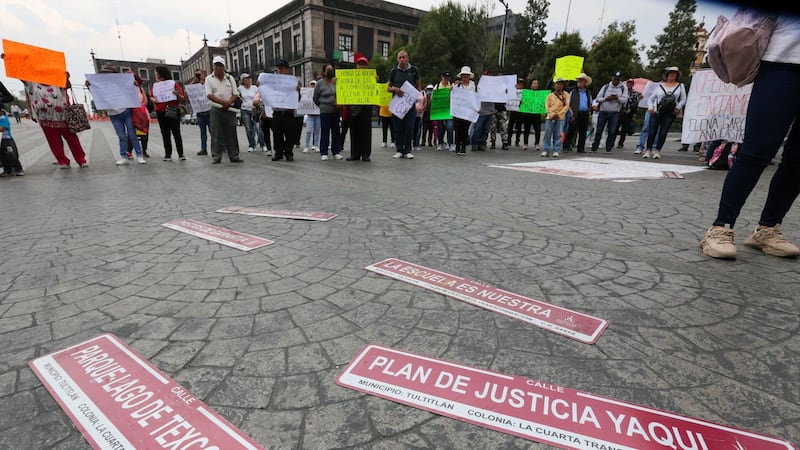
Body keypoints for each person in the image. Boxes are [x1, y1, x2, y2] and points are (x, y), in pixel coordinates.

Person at [700, 16, 800, 259]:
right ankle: (720, 227)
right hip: (784, 62)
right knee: (757, 151)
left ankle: (767, 229)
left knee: (798, 160)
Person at [23, 75, 89, 169]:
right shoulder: (32, 82)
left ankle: (81, 160)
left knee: (72, 139)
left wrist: (66, 76)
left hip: (64, 116)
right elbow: (22, 78)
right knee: (53, 141)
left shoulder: (58, 78)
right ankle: (63, 161)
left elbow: (68, 86)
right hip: (45, 118)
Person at [205, 55, 242, 164]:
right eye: (216, 66)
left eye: (220, 66)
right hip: (216, 108)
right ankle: (216, 157)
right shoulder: (209, 79)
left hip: (229, 109)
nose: (218, 68)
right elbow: (209, 95)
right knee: (216, 132)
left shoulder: (229, 78)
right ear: (213, 67)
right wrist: (223, 103)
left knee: (231, 132)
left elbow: (235, 93)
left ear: (224, 67)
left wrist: (229, 102)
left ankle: (234, 155)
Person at [643, 67, 686, 159]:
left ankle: (657, 150)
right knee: (652, 132)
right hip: (657, 111)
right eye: (670, 74)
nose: (672, 76)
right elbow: (651, 98)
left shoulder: (680, 86)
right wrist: (651, 108)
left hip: (670, 112)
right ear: (667, 75)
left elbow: (683, 99)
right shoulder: (660, 85)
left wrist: (678, 107)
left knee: (663, 132)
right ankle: (648, 150)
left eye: (674, 74)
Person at [387, 50, 421, 159]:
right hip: (397, 104)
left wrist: (416, 98)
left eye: (404, 57)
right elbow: (388, 88)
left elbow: (418, 86)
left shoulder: (414, 70)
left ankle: (407, 150)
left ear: (408, 58)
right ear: (397, 59)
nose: (402, 59)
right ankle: (399, 149)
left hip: (409, 105)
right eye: (400, 57)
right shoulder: (394, 72)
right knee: (398, 127)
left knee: (410, 127)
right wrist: (395, 89)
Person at [151, 65, 186, 161]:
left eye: (156, 72)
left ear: (160, 73)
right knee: (165, 133)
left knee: (176, 132)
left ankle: (181, 154)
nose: (155, 74)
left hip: (172, 108)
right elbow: (151, 96)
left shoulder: (173, 84)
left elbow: (183, 98)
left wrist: (177, 94)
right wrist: (153, 99)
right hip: (160, 110)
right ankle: (168, 154)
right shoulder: (155, 85)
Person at [272, 59, 301, 162]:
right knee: (277, 133)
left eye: (282, 68)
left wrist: (298, 91)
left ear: (287, 69)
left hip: (288, 112)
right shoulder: (273, 81)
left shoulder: (293, 81)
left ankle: (288, 153)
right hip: (277, 112)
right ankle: (278, 153)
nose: (279, 70)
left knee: (290, 134)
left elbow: (298, 98)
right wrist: (261, 85)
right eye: (278, 68)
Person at [591, 71, 628, 153]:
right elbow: (598, 98)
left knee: (612, 130)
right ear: (612, 78)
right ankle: (595, 146)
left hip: (615, 112)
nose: (616, 81)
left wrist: (617, 98)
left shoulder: (623, 88)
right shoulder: (606, 87)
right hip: (603, 111)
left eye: (618, 80)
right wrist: (606, 99)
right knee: (599, 130)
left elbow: (625, 100)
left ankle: (609, 147)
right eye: (615, 79)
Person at [347, 55, 374, 162]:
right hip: (354, 106)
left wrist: (375, 81)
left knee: (366, 131)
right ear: (356, 66)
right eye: (360, 64)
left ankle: (365, 154)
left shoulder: (372, 77)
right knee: (354, 130)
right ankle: (355, 154)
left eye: (364, 65)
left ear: (367, 67)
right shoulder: (351, 77)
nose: (361, 66)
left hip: (366, 106)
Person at [313, 62, 342, 161]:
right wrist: (322, 105)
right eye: (328, 70)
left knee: (336, 132)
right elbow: (315, 98)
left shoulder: (336, 82)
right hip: (325, 112)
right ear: (324, 72)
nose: (330, 72)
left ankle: (336, 152)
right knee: (325, 132)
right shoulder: (320, 83)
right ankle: (324, 152)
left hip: (336, 111)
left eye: (332, 70)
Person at [542, 77, 570, 157]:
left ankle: (556, 149)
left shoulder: (566, 95)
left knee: (558, 134)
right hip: (550, 117)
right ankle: (546, 149)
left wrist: (559, 114)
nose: (559, 86)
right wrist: (551, 114)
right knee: (548, 133)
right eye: (558, 84)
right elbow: (547, 106)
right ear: (555, 85)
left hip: (560, 117)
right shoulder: (550, 95)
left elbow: (566, 106)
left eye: (561, 84)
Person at [565, 73, 593, 153]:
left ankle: (581, 148)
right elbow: (568, 103)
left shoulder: (588, 92)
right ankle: (566, 146)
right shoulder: (573, 92)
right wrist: (571, 113)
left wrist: (589, 111)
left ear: (585, 82)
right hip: (575, 113)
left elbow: (590, 103)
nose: (579, 83)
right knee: (571, 130)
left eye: (581, 81)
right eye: (579, 81)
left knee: (583, 132)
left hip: (584, 113)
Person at [238, 73, 265, 152]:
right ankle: (251, 145)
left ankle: (263, 144)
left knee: (258, 128)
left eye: (250, 78)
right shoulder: (240, 89)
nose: (249, 79)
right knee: (249, 128)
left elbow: (260, 97)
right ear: (243, 80)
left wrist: (259, 103)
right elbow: (238, 98)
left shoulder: (255, 88)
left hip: (255, 110)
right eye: (247, 78)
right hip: (245, 110)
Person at [453, 66, 476, 156]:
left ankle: (463, 148)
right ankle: (457, 147)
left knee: (465, 130)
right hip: (458, 111)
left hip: (468, 111)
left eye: (467, 75)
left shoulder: (473, 85)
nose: (465, 77)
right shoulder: (457, 85)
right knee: (458, 129)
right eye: (463, 75)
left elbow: (475, 96)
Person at [190, 69, 211, 156]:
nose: (198, 76)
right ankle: (203, 149)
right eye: (196, 75)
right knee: (203, 132)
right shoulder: (194, 86)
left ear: (203, 75)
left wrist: (204, 82)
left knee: (213, 131)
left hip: (209, 111)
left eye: (199, 74)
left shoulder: (208, 83)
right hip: (200, 112)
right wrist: (193, 82)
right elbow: (187, 92)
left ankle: (217, 147)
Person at [129, 72, 150, 159]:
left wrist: (139, 106)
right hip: (131, 114)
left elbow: (146, 101)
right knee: (131, 134)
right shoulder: (127, 89)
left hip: (142, 114)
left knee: (144, 134)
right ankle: (129, 151)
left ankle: (144, 150)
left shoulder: (140, 89)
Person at [616, 79, 640, 149]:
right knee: (615, 128)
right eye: (628, 83)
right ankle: (611, 141)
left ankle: (621, 143)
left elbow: (636, 103)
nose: (629, 85)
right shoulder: (622, 91)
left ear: (633, 84)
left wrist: (633, 112)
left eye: (631, 83)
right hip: (620, 111)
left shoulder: (635, 93)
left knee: (624, 129)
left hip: (628, 112)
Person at [433, 71, 454, 151]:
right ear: (442, 77)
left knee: (450, 127)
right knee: (440, 127)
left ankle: (450, 143)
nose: (446, 79)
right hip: (440, 110)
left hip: (449, 110)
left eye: (447, 77)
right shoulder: (437, 86)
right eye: (445, 77)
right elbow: (433, 98)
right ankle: (440, 143)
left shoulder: (452, 86)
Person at [0, 108, 23, 176]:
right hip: (1, 140)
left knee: (11, 155)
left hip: (7, 140)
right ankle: (7, 170)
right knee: (2, 156)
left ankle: (18, 169)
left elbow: (2, 128)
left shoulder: (3, 118)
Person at [521, 79, 543, 152]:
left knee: (537, 129)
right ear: (530, 85)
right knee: (527, 129)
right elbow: (522, 102)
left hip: (536, 114)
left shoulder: (540, 94)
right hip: (527, 114)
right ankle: (525, 143)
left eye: (537, 83)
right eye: (534, 83)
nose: (536, 85)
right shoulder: (526, 93)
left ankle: (537, 144)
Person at [303, 79, 321, 154]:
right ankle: (306, 146)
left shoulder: (319, 93)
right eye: (312, 84)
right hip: (310, 115)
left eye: (314, 84)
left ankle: (316, 145)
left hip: (318, 115)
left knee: (317, 131)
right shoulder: (307, 94)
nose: (313, 86)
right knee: (308, 131)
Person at [507, 79, 524, 149]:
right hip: (513, 110)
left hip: (520, 111)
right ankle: (509, 140)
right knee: (510, 126)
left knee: (519, 127)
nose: (520, 85)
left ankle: (517, 141)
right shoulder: (512, 91)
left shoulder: (525, 92)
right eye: (518, 84)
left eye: (521, 84)